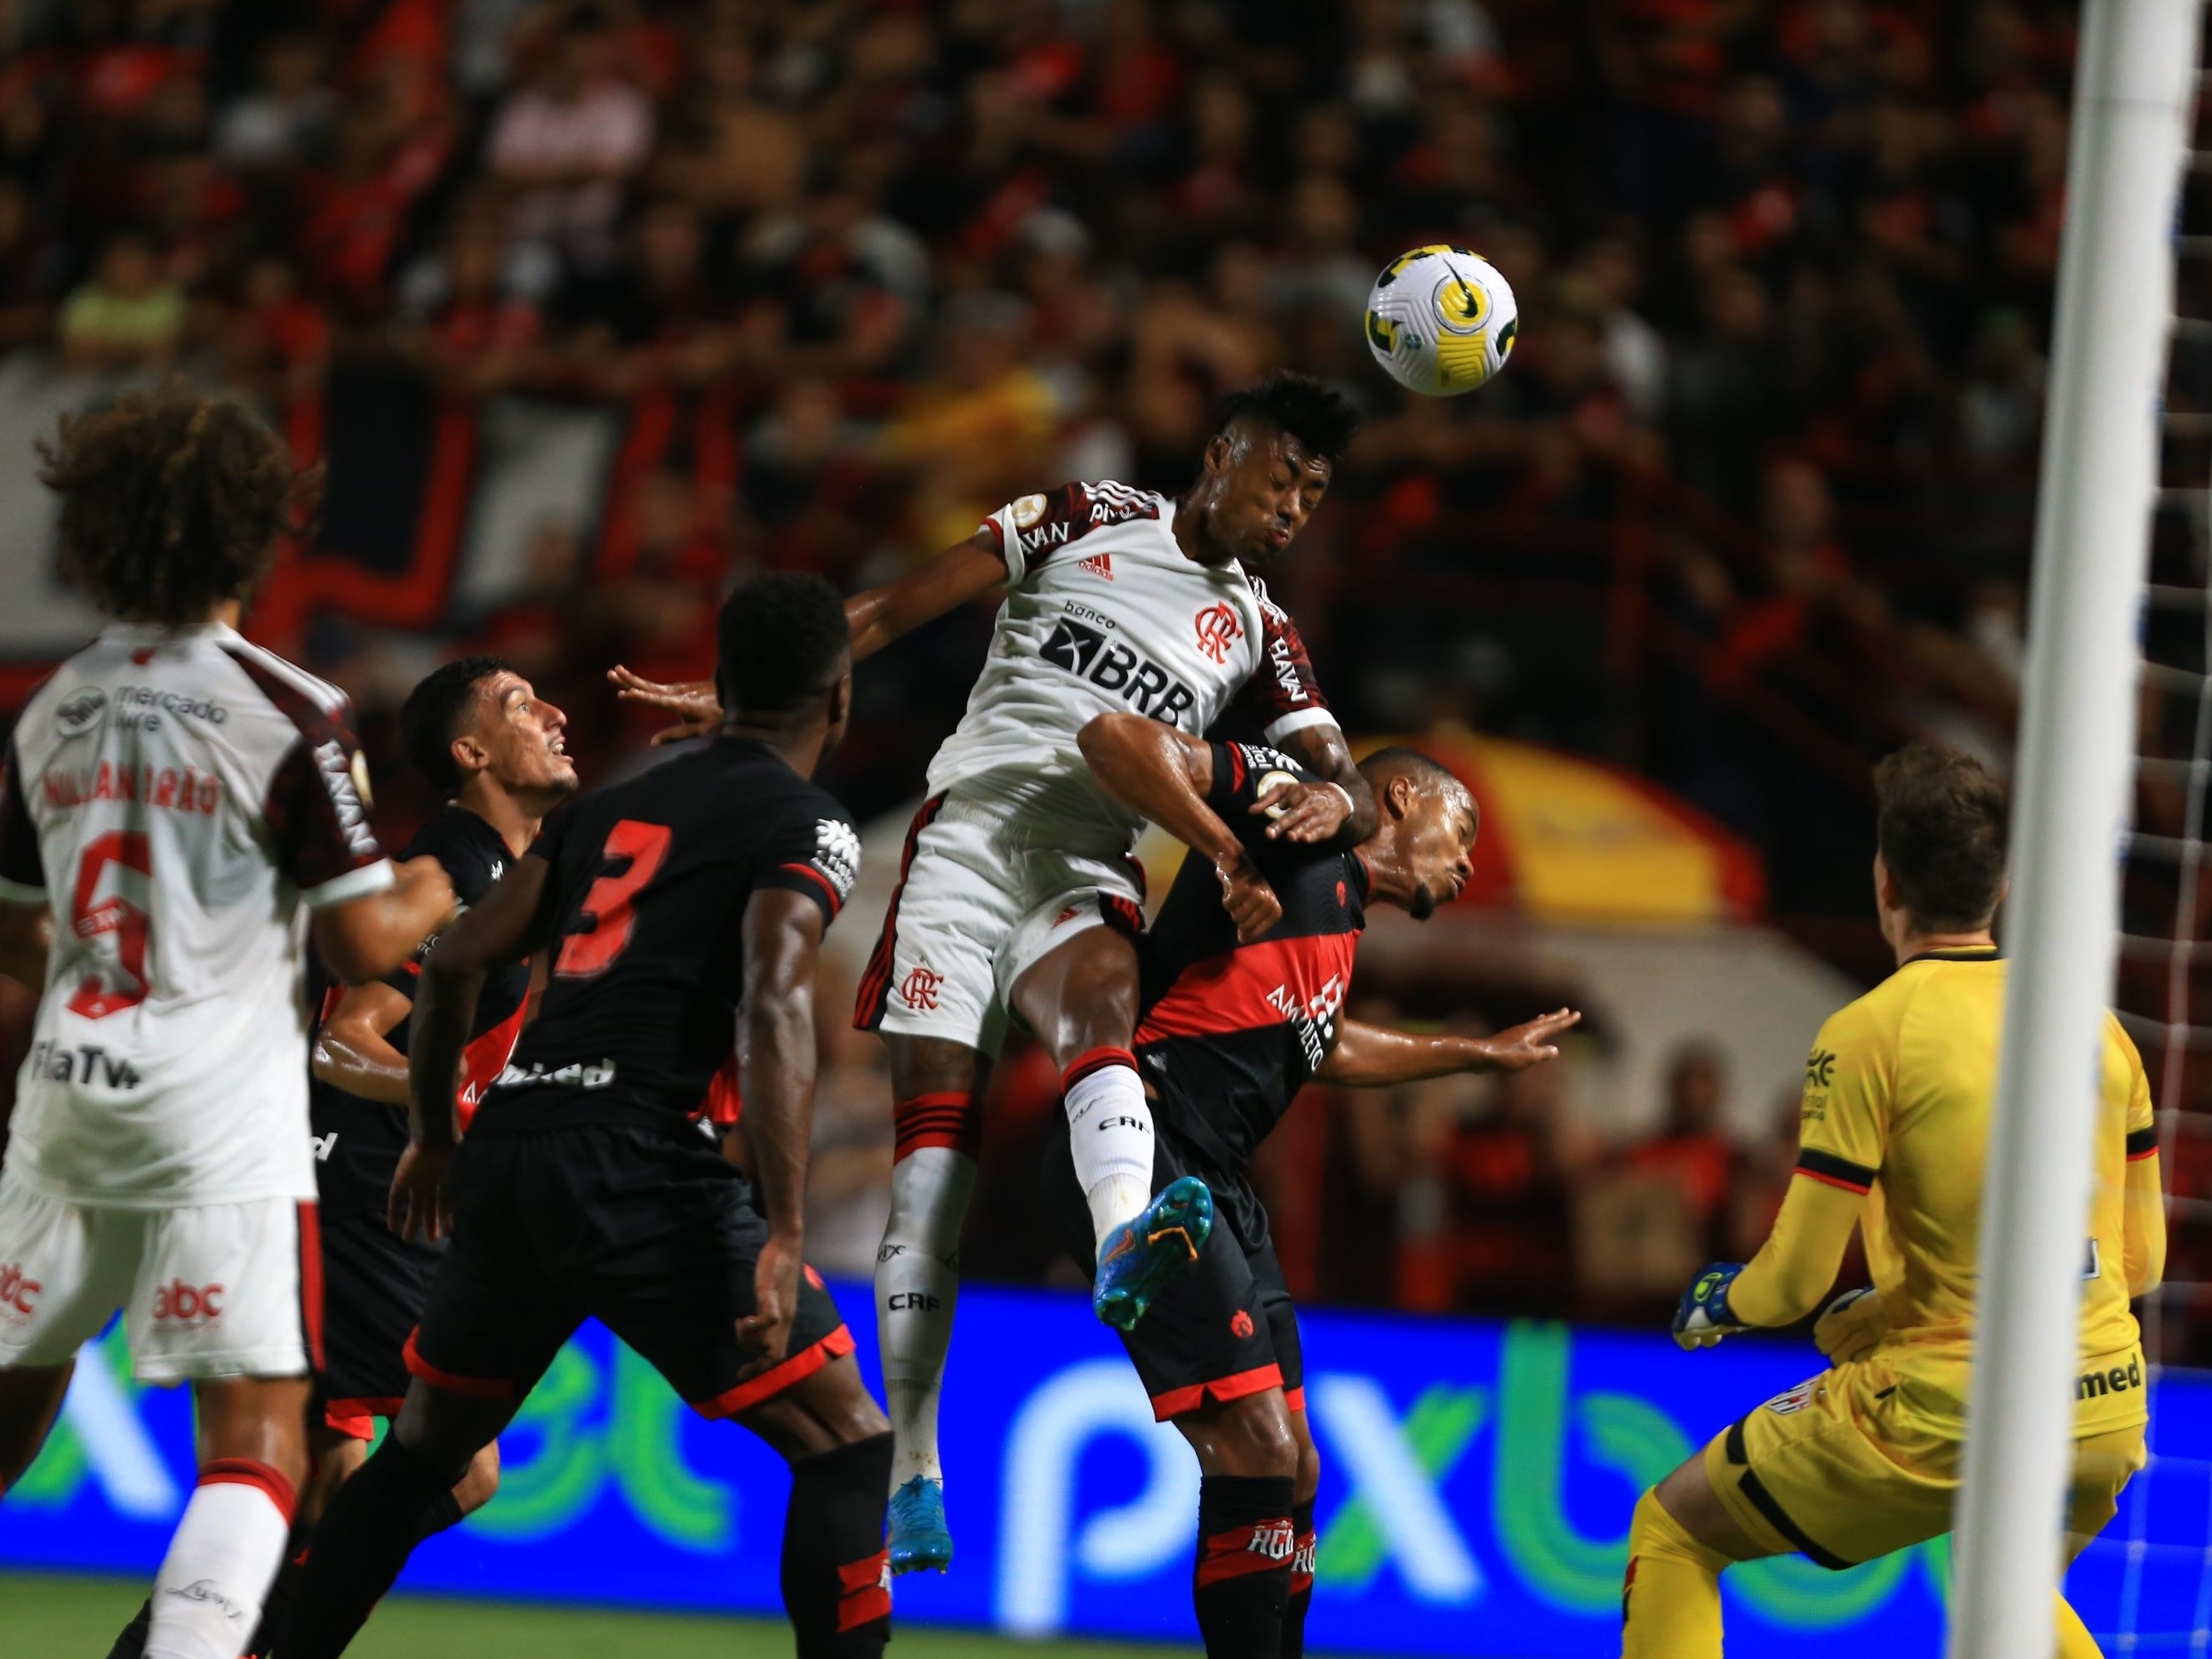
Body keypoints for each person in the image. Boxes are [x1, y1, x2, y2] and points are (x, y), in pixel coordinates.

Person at [612, 372, 1378, 1572]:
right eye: (1281, 475)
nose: (1293, 506)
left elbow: (1345, 771)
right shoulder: (1081, 516)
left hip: (1084, 855)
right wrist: (750, 703)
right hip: (965, 846)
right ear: (1223, 453)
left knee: (1100, 1007)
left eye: (1315, 494)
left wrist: (1337, 792)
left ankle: (1127, 1237)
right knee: (933, 1180)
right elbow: (887, 613)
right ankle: (913, 1469)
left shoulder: (1266, 633)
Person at [277, 574, 891, 1659]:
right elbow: (774, 992)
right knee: (845, 1443)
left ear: (721, 685)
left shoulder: (609, 802)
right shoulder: (807, 820)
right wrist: (784, 1226)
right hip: (639, 1154)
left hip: (511, 1160)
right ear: (837, 702)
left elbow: (465, 960)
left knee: (428, 1457)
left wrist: (432, 1133)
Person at [0, 385, 455, 1659]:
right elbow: (363, 942)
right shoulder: (288, 707)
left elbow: (12, 926)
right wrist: (460, 875)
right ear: (260, 531)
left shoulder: (48, 706)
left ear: (98, 535)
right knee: (259, 1436)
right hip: (216, 1107)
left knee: (14, 1387)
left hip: (68, 1089)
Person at [1626, 744, 2165, 1658]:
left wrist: (1723, 1300)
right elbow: (2137, 1262)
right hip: (2104, 1407)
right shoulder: (2097, 1027)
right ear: (1998, 888)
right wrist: (1884, 1308)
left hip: (1941, 1408)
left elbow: (1790, 1281)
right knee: (2010, 1598)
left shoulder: (1871, 1028)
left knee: (1673, 1528)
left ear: (1883, 882)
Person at [1060, 712, 1578, 1658]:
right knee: (1255, 1448)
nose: (1465, 864)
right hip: (1158, 1139)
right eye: (1460, 829)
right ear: (1401, 797)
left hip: (1223, 1176)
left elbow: (1322, 1041)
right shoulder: (1296, 831)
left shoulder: (1336, 911)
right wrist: (1226, 846)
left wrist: (1473, 1052)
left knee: (1296, 1466)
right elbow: (1115, 738)